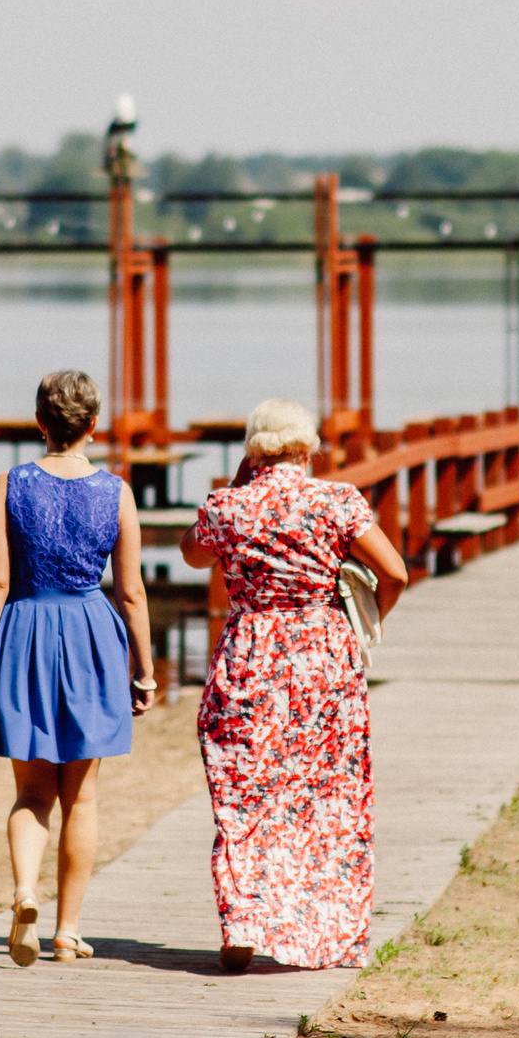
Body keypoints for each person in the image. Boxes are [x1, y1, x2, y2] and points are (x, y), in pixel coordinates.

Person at [180, 398, 409, 974]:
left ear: (253, 452)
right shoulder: (336, 501)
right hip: (321, 658)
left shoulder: (227, 507)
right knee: (324, 796)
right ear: (307, 447)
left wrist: (236, 484)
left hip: (250, 655)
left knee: (243, 792)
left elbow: (190, 555)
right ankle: (325, 927)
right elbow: (396, 572)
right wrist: (369, 618)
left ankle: (242, 922)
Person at [0, 369, 155, 967]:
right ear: (93, 426)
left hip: (23, 632)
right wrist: (144, 669)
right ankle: (67, 932)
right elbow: (130, 592)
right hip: (91, 635)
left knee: (31, 790)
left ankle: (24, 893)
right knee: (83, 797)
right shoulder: (115, 491)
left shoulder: (9, 483)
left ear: (40, 423)